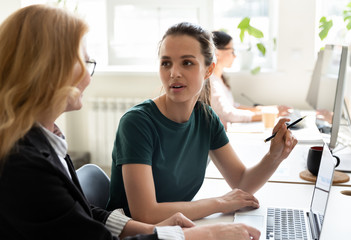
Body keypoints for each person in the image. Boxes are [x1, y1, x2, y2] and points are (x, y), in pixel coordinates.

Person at [0, 5, 261, 240]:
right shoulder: (25, 164)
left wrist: (156, 231)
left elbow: (82, 213)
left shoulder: (43, 142)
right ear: (47, 69)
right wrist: (203, 236)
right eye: (84, 62)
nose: (89, 78)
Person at [107, 22, 297, 225]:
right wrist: (220, 202)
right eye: (166, 63)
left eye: (187, 63)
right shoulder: (137, 123)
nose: (174, 73)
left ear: (208, 70)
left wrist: (274, 156)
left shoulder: (206, 118)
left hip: (178, 229)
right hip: (139, 234)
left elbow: (241, 183)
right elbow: (145, 213)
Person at [210, 30, 290, 127]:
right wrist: (271, 114)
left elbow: (233, 106)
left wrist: (270, 108)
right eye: (232, 51)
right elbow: (229, 114)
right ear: (217, 53)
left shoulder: (220, 79)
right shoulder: (211, 82)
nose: (235, 56)